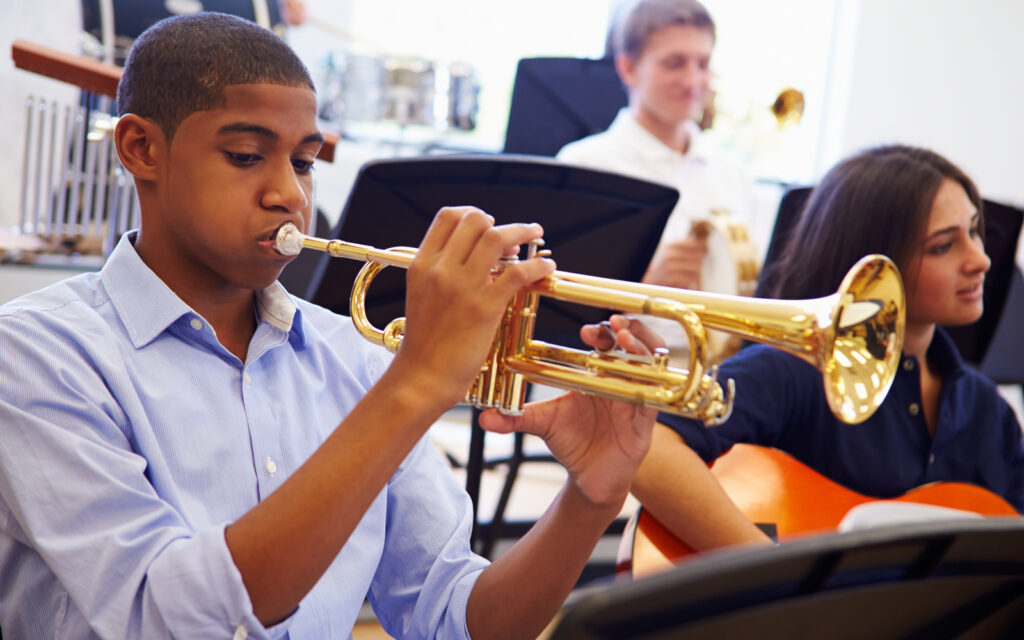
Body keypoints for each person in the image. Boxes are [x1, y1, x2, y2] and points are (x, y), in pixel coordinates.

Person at [0, 13, 660, 639]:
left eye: (304, 162)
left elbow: (456, 619)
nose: (290, 194)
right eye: (245, 155)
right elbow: (166, 618)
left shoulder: (353, 356)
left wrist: (590, 498)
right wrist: (416, 384)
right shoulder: (39, 353)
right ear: (141, 148)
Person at [624, 144, 1024, 554]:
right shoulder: (789, 372)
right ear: (874, 262)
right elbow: (650, 448)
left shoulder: (989, 412)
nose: (980, 260)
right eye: (942, 246)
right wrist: (770, 566)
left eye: (974, 231)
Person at [557, 0, 762, 304]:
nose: (693, 81)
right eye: (674, 63)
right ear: (628, 68)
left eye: (703, 64)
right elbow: (562, 309)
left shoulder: (734, 173)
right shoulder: (582, 165)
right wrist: (650, 282)